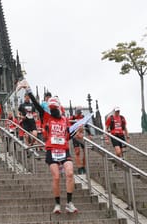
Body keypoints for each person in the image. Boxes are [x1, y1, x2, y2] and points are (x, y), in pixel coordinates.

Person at [18, 81, 83, 214]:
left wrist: (77, 132)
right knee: (57, 177)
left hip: (64, 150)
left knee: (70, 173)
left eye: (54, 109)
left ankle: (69, 203)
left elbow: (67, 135)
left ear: (58, 108)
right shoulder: (46, 116)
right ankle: (57, 204)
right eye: (51, 109)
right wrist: (28, 89)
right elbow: (36, 104)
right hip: (51, 151)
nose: (53, 111)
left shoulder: (65, 120)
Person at [69, 107, 91, 174]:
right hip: (75, 136)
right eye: (78, 112)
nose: (79, 114)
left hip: (82, 136)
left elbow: (87, 126)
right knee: (77, 152)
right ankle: (79, 168)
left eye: (80, 112)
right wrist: (74, 134)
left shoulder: (83, 117)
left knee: (85, 152)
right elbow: (69, 128)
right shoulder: (72, 118)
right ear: (76, 112)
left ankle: (84, 166)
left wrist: (89, 134)